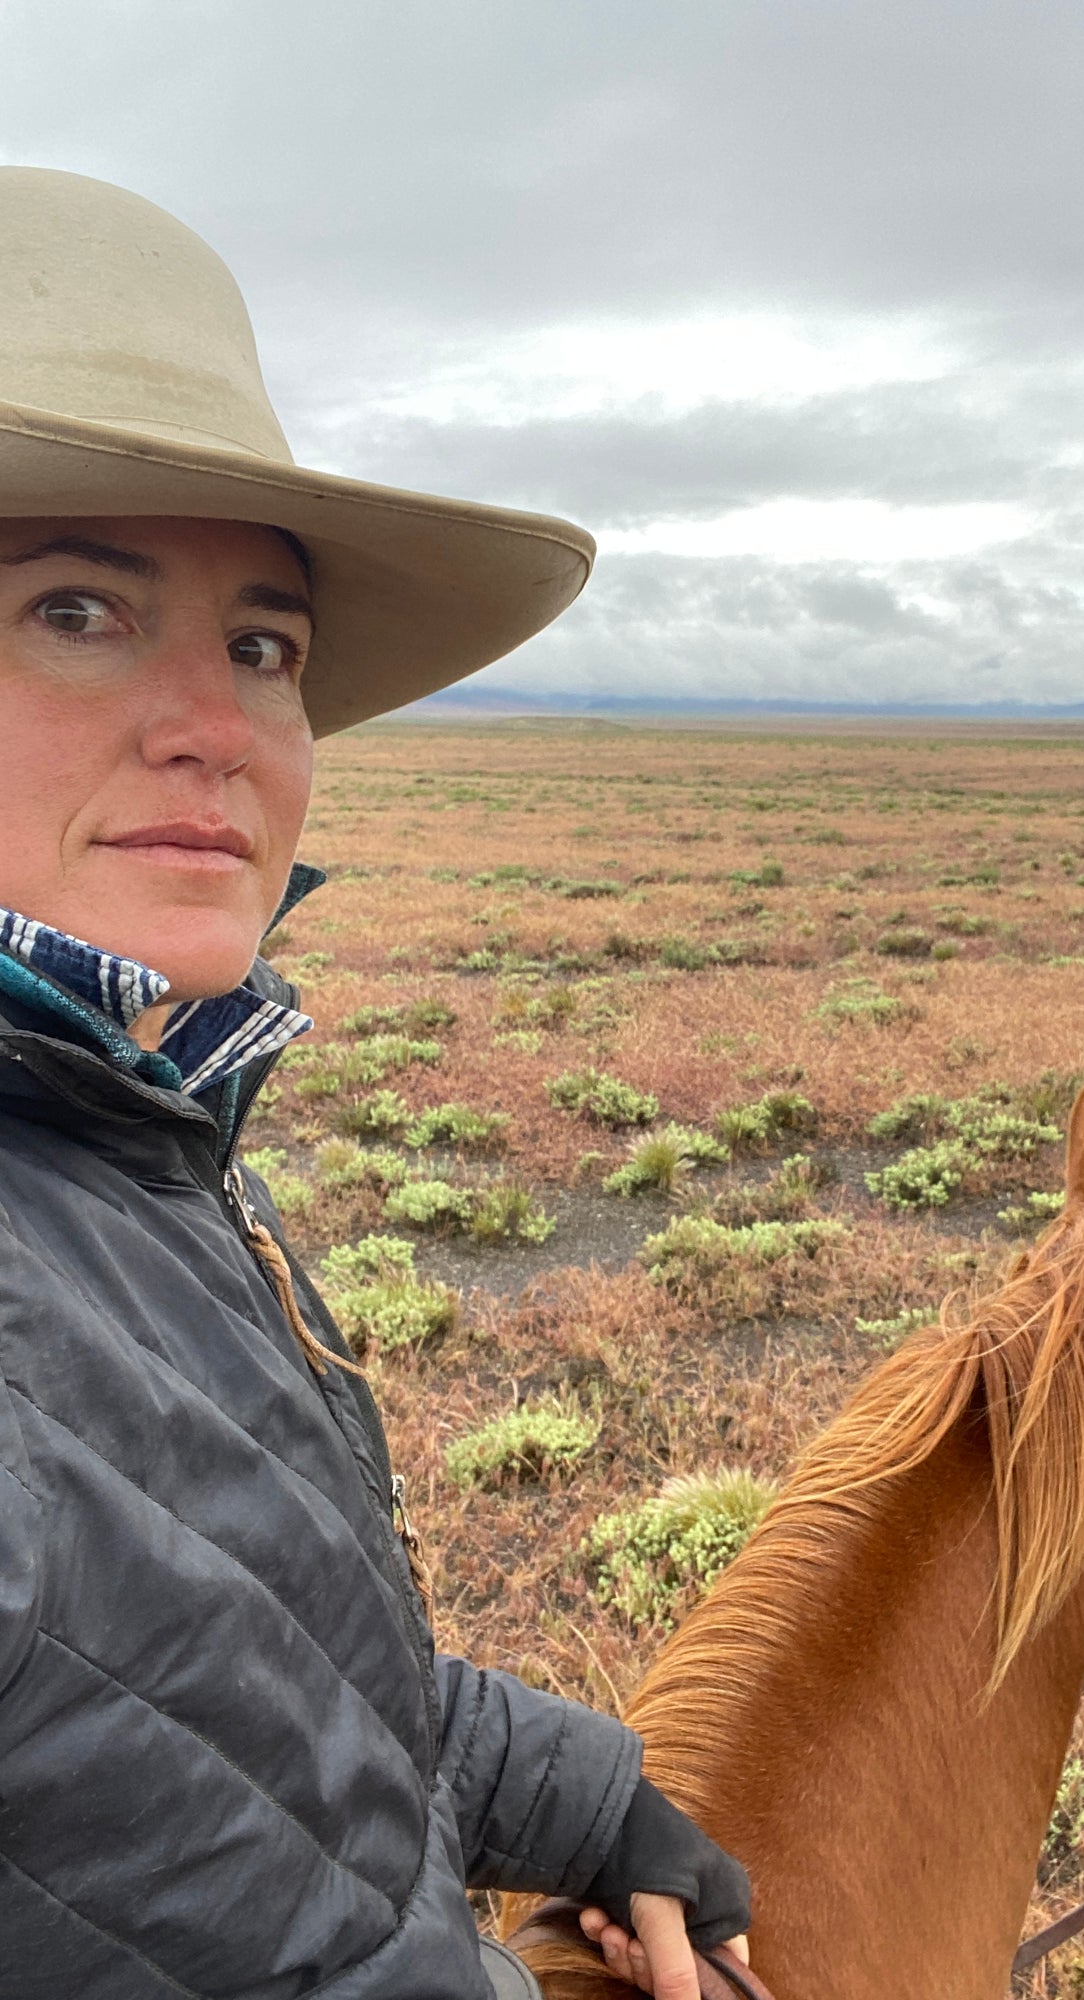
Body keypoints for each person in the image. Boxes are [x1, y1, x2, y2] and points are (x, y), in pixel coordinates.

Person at [0, 167, 751, 2000]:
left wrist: (587, 1804)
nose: (224, 725)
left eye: (266, 644)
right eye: (75, 610)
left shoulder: (123, 1135)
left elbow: (221, 1687)